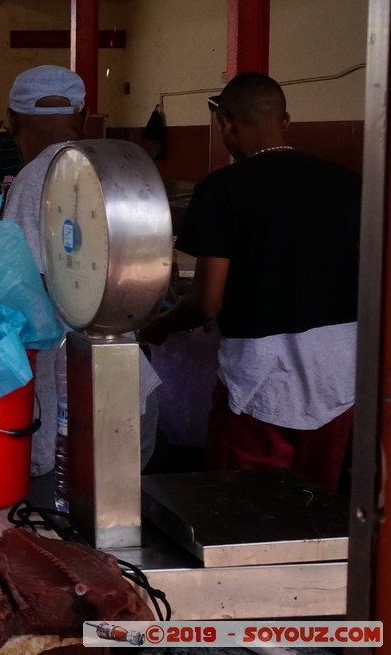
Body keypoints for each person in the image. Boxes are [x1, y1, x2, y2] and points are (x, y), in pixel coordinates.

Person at [140, 72, 358, 491]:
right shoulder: (348, 184)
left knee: (246, 513)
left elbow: (206, 302)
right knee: (318, 511)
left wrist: (157, 329)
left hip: (260, 382)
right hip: (339, 377)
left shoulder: (223, 189)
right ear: (287, 122)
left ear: (225, 122)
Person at [1, 65, 160, 476]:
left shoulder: (39, 177)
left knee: (69, 527)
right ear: (84, 112)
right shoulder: (114, 167)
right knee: (120, 525)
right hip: (127, 384)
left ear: (11, 118)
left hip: (77, 406)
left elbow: (27, 295)